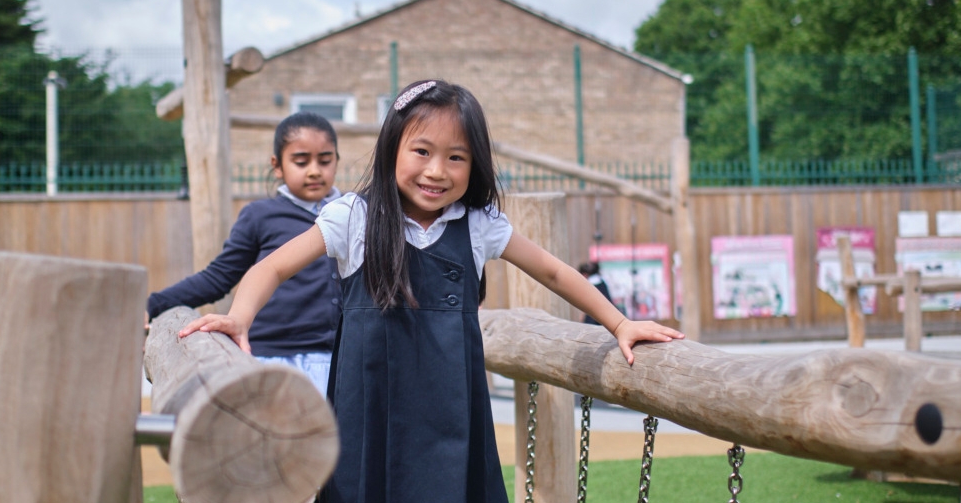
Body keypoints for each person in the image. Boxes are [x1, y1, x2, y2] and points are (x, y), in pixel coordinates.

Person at [180, 79, 685, 502]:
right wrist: (239, 317)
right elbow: (271, 268)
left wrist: (618, 322)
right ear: (392, 148)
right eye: (421, 151)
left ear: (476, 164)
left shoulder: (479, 224)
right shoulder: (354, 217)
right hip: (367, 400)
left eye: (456, 157)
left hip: (451, 403)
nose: (437, 171)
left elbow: (554, 272)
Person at [147, 111, 343, 395]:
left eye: (325, 161)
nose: (314, 170)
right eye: (301, 162)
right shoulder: (260, 216)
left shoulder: (352, 215)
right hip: (271, 357)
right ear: (277, 166)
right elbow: (218, 277)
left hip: (339, 359)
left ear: (336, 160)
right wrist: (153, 305)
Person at [578, 261, 614, 325]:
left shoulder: (590, 285)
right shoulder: (601, 282)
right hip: (609, 317)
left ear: (585, 274)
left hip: (596, 318)